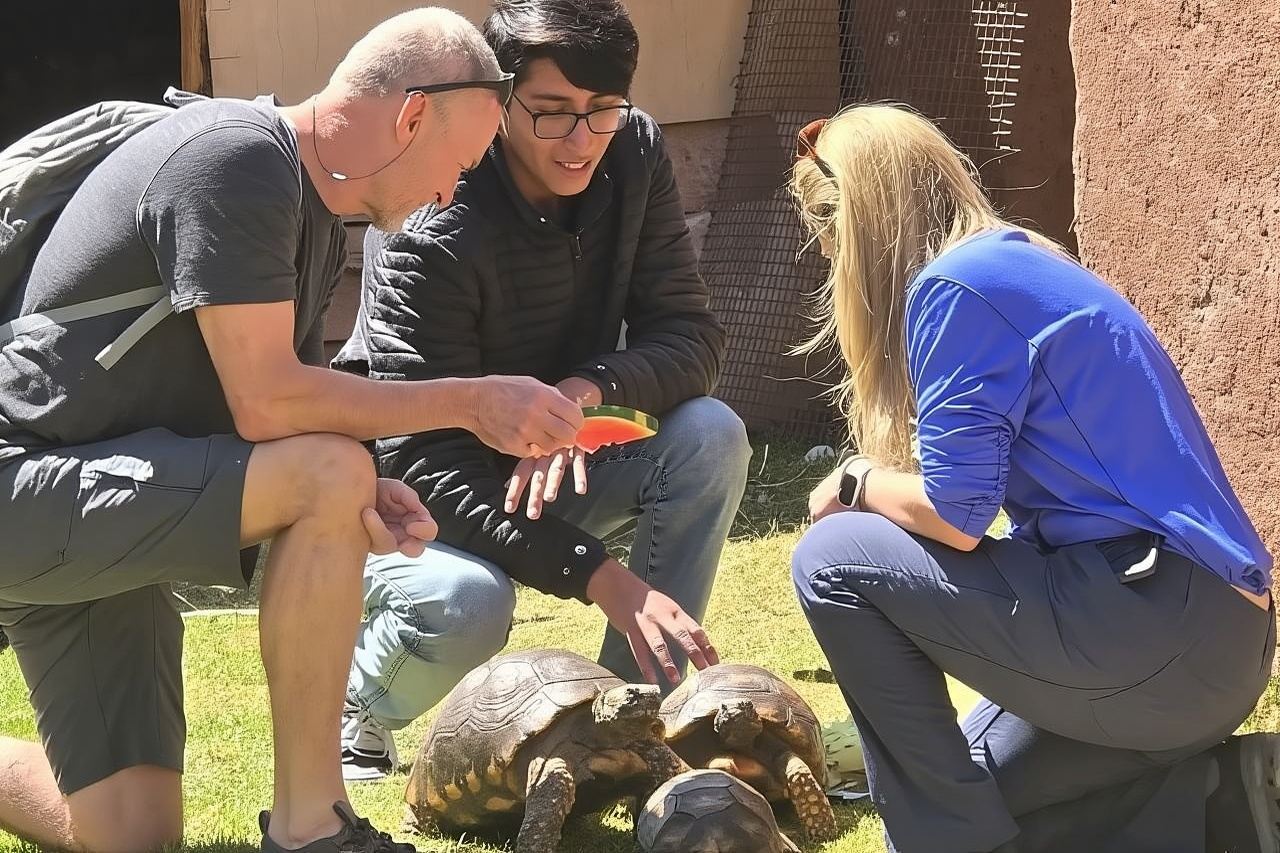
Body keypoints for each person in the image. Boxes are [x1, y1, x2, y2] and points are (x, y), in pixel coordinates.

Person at [0, 9, 586, 853]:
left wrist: (367, 485)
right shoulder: (237, 158)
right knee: (326, 475)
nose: (448, 195)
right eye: (458, 166)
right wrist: (470, 401)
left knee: (131, 835)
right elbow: (268, 404)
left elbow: (294, 417)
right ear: (411, 115)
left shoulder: (309, 217)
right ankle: (312, 826)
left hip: (99, 518)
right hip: (25, 487)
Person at [787, 104, 1278, 853]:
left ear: (859, 226)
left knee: (831, 557)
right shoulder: (1022, 264)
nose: (833, 265)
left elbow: (956, 516)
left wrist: (855, 480)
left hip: (1157, 619)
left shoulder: (958, 287)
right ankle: (1222, 799)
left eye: (830, 243)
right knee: (981, 791)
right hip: (1215, 644)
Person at [335, 0, 749, 781]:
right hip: (409, 500)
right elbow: (423, 461)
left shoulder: (634, 151)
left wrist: (578, 400)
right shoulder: (431, 217)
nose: (581, 140)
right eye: (552, 112)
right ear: (499, 101)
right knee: (471, 601)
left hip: (552, 466)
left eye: (603, 109)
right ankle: (357, 703)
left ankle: (628, 726)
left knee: (710, 434)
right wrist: (599, 573)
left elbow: (690, 336)